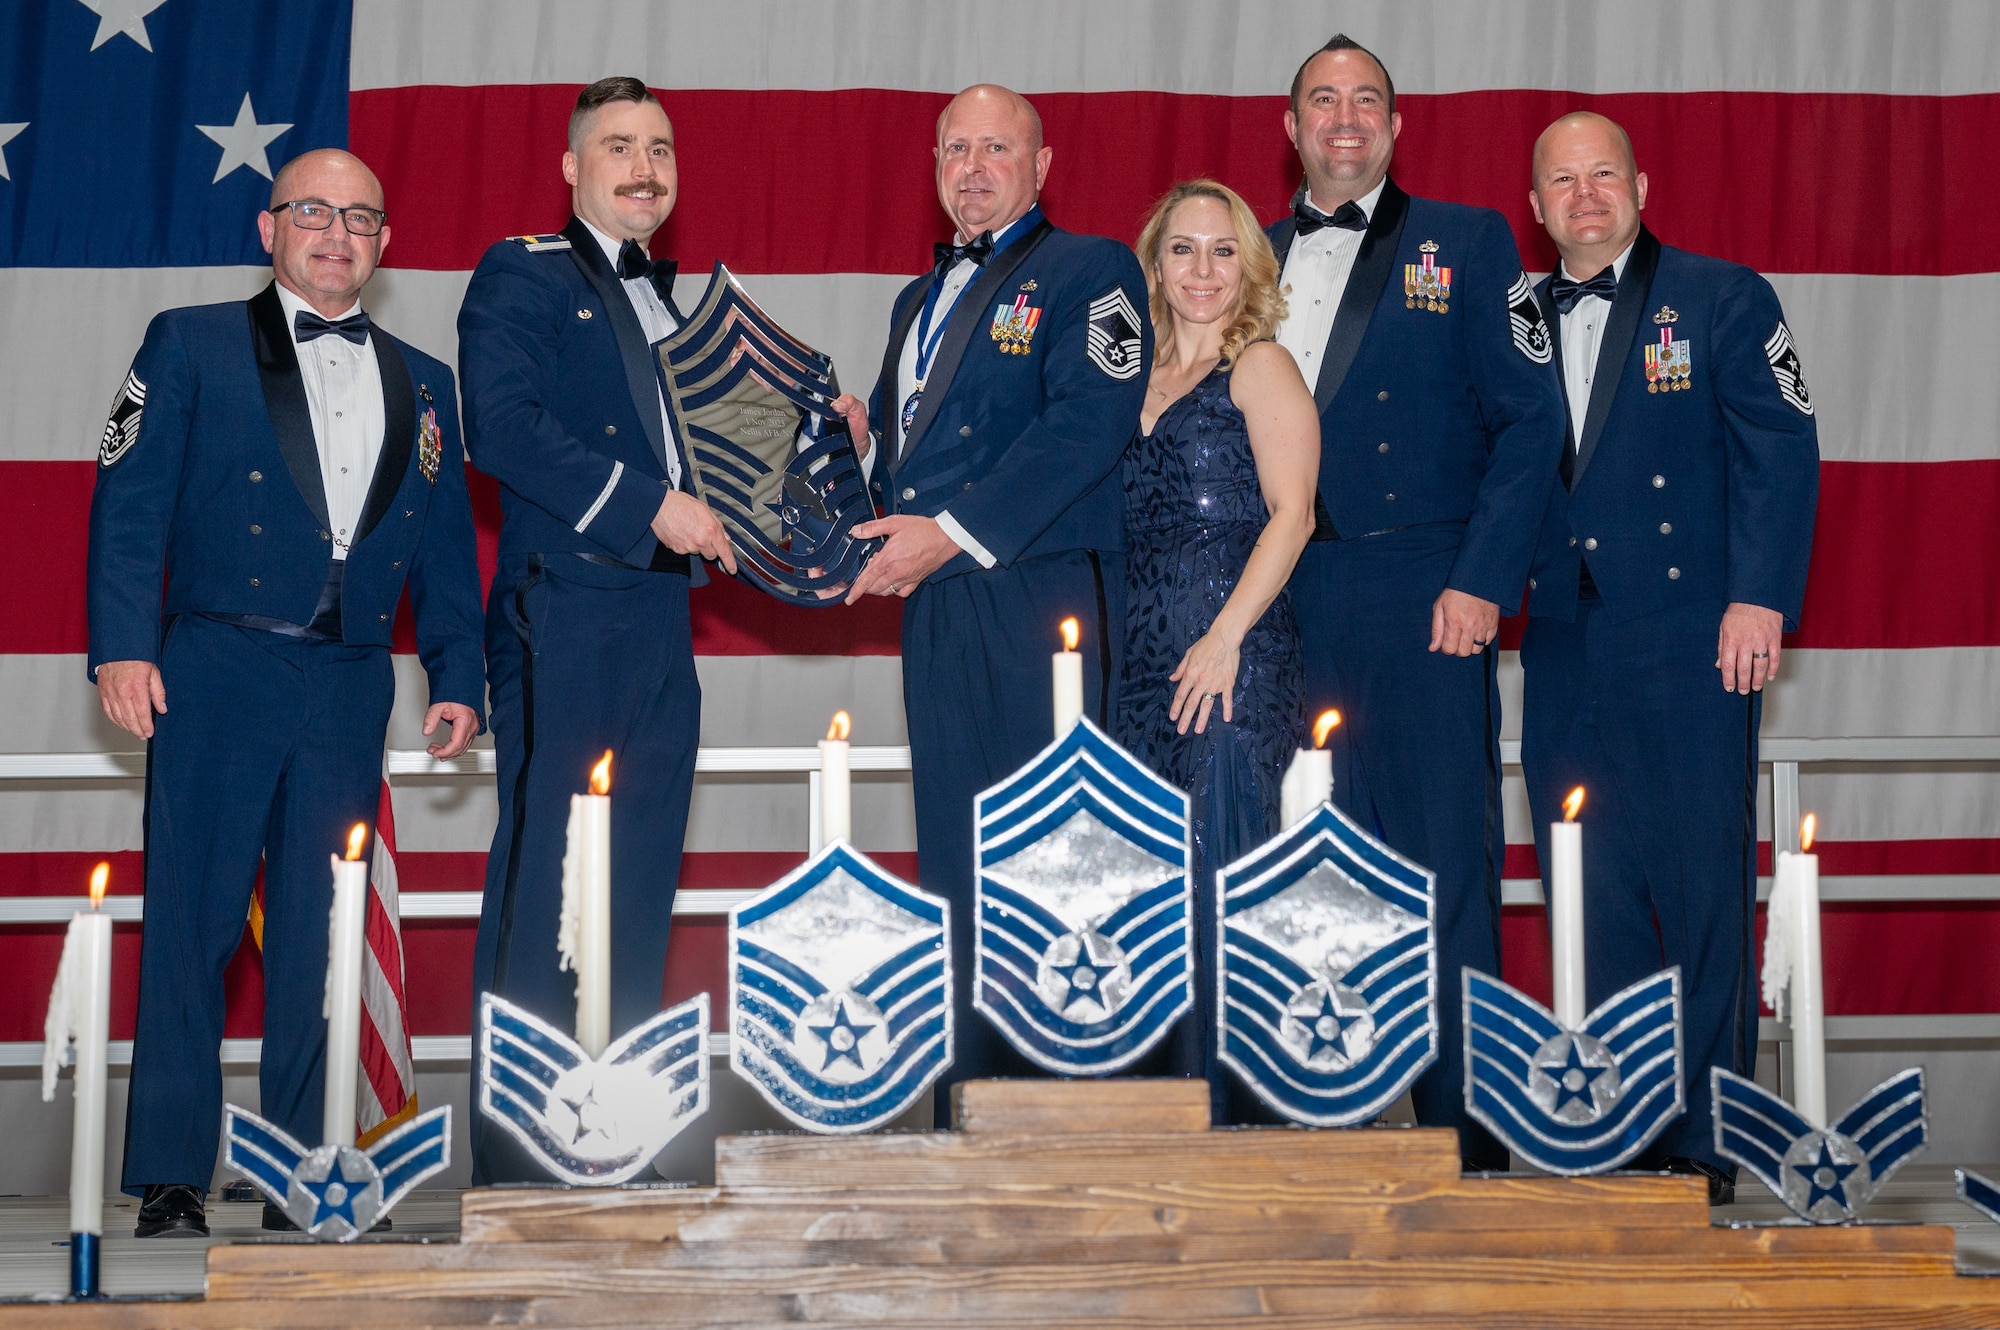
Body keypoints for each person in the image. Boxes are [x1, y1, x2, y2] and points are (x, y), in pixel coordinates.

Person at [88, 148, 484, 1237]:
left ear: (385, 242)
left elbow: (447, 550)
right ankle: (171, 1171)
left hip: (350, 681)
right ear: (270, 228)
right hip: (213, 669)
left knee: (325, 932)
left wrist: (457, 671)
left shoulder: (425, 380)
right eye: (312, 211)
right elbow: (129, 505)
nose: (336, 234)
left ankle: (299, 1169)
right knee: (192, 924)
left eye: (360, 218)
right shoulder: (191, 341)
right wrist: (121, 645)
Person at [1265, 34, 1565, 1170]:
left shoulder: (1470, 240)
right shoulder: (1241, 251)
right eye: (1322, 101)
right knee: (1293, 866)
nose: (1344, 118)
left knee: (1444, 859)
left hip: (1425, 594)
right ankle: (1310, 1128)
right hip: (1281, 598)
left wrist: (1483, 578)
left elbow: (1530, 423)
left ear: (1395, 126)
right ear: (1289, 129)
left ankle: (1464, 1139)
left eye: (1366, 100)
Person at [830, 84, 1150, 1121]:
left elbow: (1088, 426)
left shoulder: (1091, 270)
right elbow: (907, 468)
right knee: (956, 851)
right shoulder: (912, 301)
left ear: (1042, 164)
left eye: (996, 148)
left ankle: (1067, 1107)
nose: (972, 167)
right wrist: (847, 450)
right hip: (938, 606)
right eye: (953, 149)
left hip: (1041, 598)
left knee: (1056, 856)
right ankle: (970, 1100)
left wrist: (950, 535)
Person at [1521, 112, 1819, 1202]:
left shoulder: (1723, 294)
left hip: (1694, 636)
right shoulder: (1511, 312)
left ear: (1640, 184)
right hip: (1560, 636)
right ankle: (1617, 1126)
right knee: (1586, 886)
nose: (1585, 194)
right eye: (1563, 179)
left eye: (1603, 174)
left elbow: (1779, 450)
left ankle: (1709, 1138)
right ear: (1535, 202)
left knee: (1697, 887)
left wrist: (1758, 596)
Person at [457, 77, 737, 1183]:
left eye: (660, 147)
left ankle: (608, 1135)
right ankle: (521, 1151)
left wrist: (824, 432)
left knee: (637, 877)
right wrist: (645, 505)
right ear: (570, 169)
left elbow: (733, 450)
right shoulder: (520, 272)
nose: (643, 166)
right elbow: (502, 426)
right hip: (562, 603)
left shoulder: (685, 301)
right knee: (548, 882)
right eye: (617, 146)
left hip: (660, 614)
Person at [1116, 180, 1319, 1122]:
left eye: (1223, 250)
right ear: (1156, 263)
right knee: (1150, 887)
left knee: (1223, 874)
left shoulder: (1262, 366)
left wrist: (1225, 636)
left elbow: (1294, 515)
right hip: (1137, 668)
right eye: (1184, 249)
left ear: (1251, 267)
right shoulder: (1123, 373)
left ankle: (1239, 1123)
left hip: (1232, 660)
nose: (1203, 270)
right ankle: (1160, 1121)